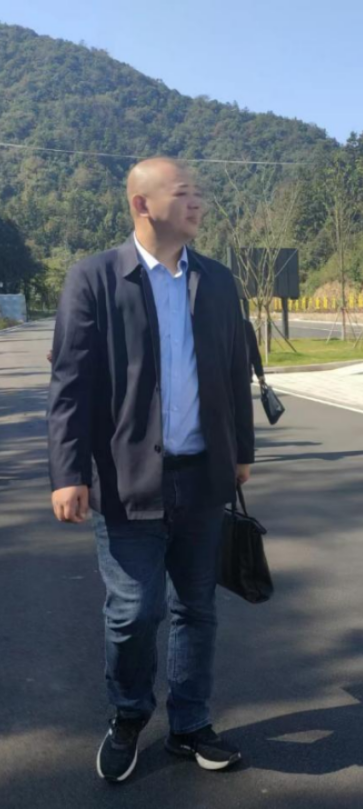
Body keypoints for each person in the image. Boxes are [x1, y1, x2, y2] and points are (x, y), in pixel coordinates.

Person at [47, 157, 254, 782]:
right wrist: (67, 471)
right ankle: (129, 714)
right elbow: (70, 385)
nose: (198, 203)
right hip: (125, 479)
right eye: (184, 193)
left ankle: (190, 724)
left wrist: (242, 451)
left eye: (199, 193)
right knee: (133, 610)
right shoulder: (95, 279)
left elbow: (234, 372)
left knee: (196, 608)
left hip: (202, 477)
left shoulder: (216, 280)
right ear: (142, 204)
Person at [244, 317, 265, 384]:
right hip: (243, 376)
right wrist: (260, 374)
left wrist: (260, 373)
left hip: (243, 376)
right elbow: (254, 352)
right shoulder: (246, 325)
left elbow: (253, 351)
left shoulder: (246, 325)